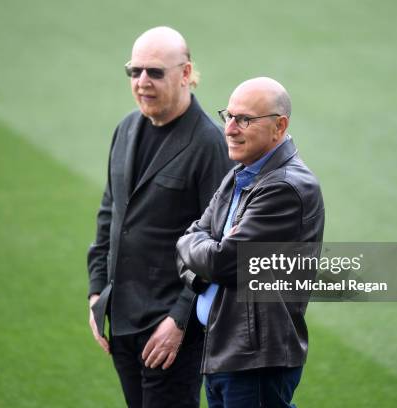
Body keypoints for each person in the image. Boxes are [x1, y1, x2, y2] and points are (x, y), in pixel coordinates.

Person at [86, 26, 232, 408]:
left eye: (155, 72)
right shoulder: (126, 129)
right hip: (122, 320)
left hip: (170, 332)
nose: (142, 82)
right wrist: (97, 289)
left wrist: (180, 319)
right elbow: (110, 214)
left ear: (185, 74)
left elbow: (218, 246)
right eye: (134, 72)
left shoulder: (208, 145)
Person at [176, 77, 325, 408]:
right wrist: (202, 261)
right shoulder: (239, 174)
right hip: (225, 350)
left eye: (243, 119)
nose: (229, 129)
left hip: (254, 360)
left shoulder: (285, 188)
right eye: (228, 116)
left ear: (279, 126)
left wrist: (203, 255)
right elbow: (191, 243)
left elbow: (221, 261)